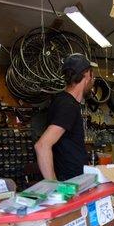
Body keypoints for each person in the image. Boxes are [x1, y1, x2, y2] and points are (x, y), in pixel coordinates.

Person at [34, 53, 97, 181]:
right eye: (92, 75)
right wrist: (54, 187)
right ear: (86, 75)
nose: (93, 80)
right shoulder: (68, 105)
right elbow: (42, 146)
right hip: (69, 184)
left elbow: (67, 146)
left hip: (75, 180)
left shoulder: (62, 101)